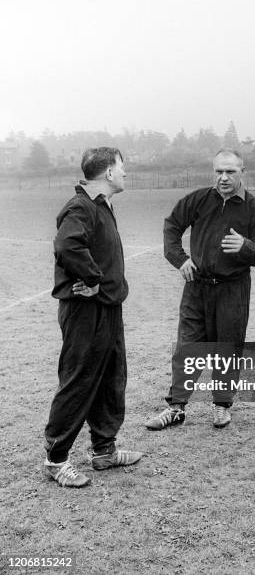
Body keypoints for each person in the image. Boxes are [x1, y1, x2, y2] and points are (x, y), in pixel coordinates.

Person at [146, 149, 255, 430]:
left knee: (226, 348)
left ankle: (221, 405)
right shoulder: (198, 199)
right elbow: (171, 227)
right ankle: (176, 407)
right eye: (219, 172)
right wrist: (180, 260)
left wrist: (246, 247)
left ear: (243, 171)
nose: (224, 178)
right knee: (187, 347)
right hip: (196, 288)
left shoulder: (253, 208)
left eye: (230, 171)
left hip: (232, 290)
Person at [44, 147, 141, 487]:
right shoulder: (81, 206)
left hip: (109, 307)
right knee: (79, 381)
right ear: (109, 173)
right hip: (86, 309)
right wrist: (91, 277)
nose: (125, 173)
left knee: (112, 378)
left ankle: (104, 450)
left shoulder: (101, 204)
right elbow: (67, 245)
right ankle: (56, 460)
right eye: (122, 167)